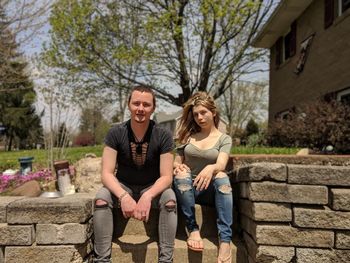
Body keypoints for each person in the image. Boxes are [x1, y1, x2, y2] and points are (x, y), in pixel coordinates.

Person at [93, 85, 177, 263]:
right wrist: (123, 196)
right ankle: (102, 259)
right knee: (101, 197)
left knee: (170, 198)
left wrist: (148, 195)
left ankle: (166, 260)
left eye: (146, 104)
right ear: (128, 105)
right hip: (123, 185)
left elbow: (167, 177)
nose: (140, 108)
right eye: (136, 103)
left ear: (153, 108)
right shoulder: (115, 133)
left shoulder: (163, 135)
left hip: (152, 186)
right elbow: (106, 173)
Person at [173, 92, 233, 263]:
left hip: (210, 190)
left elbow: (221, 164)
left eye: (203, 112)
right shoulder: (187, 136)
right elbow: (175, 163)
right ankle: (192, 228)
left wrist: (211, 167)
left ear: (213, 112)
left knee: (221, 175)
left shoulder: (224, 139)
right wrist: (178, 167)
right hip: (186, 188)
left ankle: (225, 241)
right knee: (183, 174)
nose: (200, 117)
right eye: (196, 114)